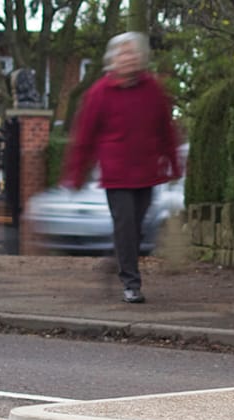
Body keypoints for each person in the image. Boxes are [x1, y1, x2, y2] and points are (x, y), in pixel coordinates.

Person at [62, 32, 183, 304]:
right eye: (123, 54)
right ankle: (131, 284)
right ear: (113, 59)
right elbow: (85, 137)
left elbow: (166, 129)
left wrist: (174, 165)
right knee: (126, 226)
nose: (128, 58)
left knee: (136, 230)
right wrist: (75, 174)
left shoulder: (152, 89)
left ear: (141, 58)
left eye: (133, 53)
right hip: (117, 175)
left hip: (147, 172)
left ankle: (115, 261)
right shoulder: (99, 93)